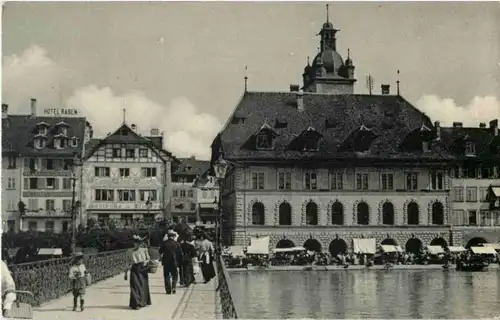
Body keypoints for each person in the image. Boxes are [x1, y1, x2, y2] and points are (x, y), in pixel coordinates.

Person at [124, 235, 151, 310]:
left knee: (143, 286)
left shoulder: (144, 250)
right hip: (134, 269)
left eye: (138, 243)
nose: (137, 244)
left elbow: (148, 258)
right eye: (136, 243)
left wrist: (146, 262)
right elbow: (127, 263)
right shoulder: (129, 251)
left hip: (142, 269)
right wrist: (125, 273)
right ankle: (136, 303)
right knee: (135, 286)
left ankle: (143, 301)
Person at [159, 230, 183, 294]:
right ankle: (174, 287)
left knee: (166, 275)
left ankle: (168, 290)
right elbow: (180, 254)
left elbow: (160, 251)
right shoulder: (177, 244)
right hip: (174, 262)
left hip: (166, 262)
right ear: (174, 237)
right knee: (175, 275)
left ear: (168, 236)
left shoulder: (164, 243)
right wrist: (180, 262)